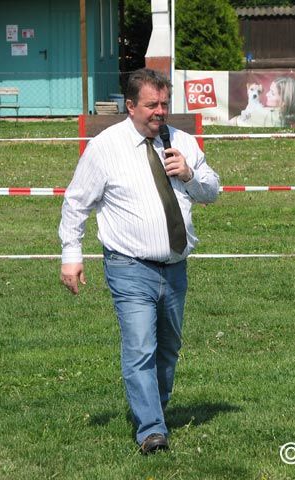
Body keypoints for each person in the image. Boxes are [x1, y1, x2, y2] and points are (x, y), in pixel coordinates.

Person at [58, 68, 220, 454]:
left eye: (164, 104)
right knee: (141, 346)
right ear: (130, 106)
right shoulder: (105, 147)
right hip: (129, 266)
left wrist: (190, 174)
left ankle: (154, 410)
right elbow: (76, 203)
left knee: (168, 349)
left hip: (175, 268)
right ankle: (151, 429)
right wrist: (71, 254)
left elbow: (213, 191)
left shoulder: (183, 142)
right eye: (151, 105)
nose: (160, 111)